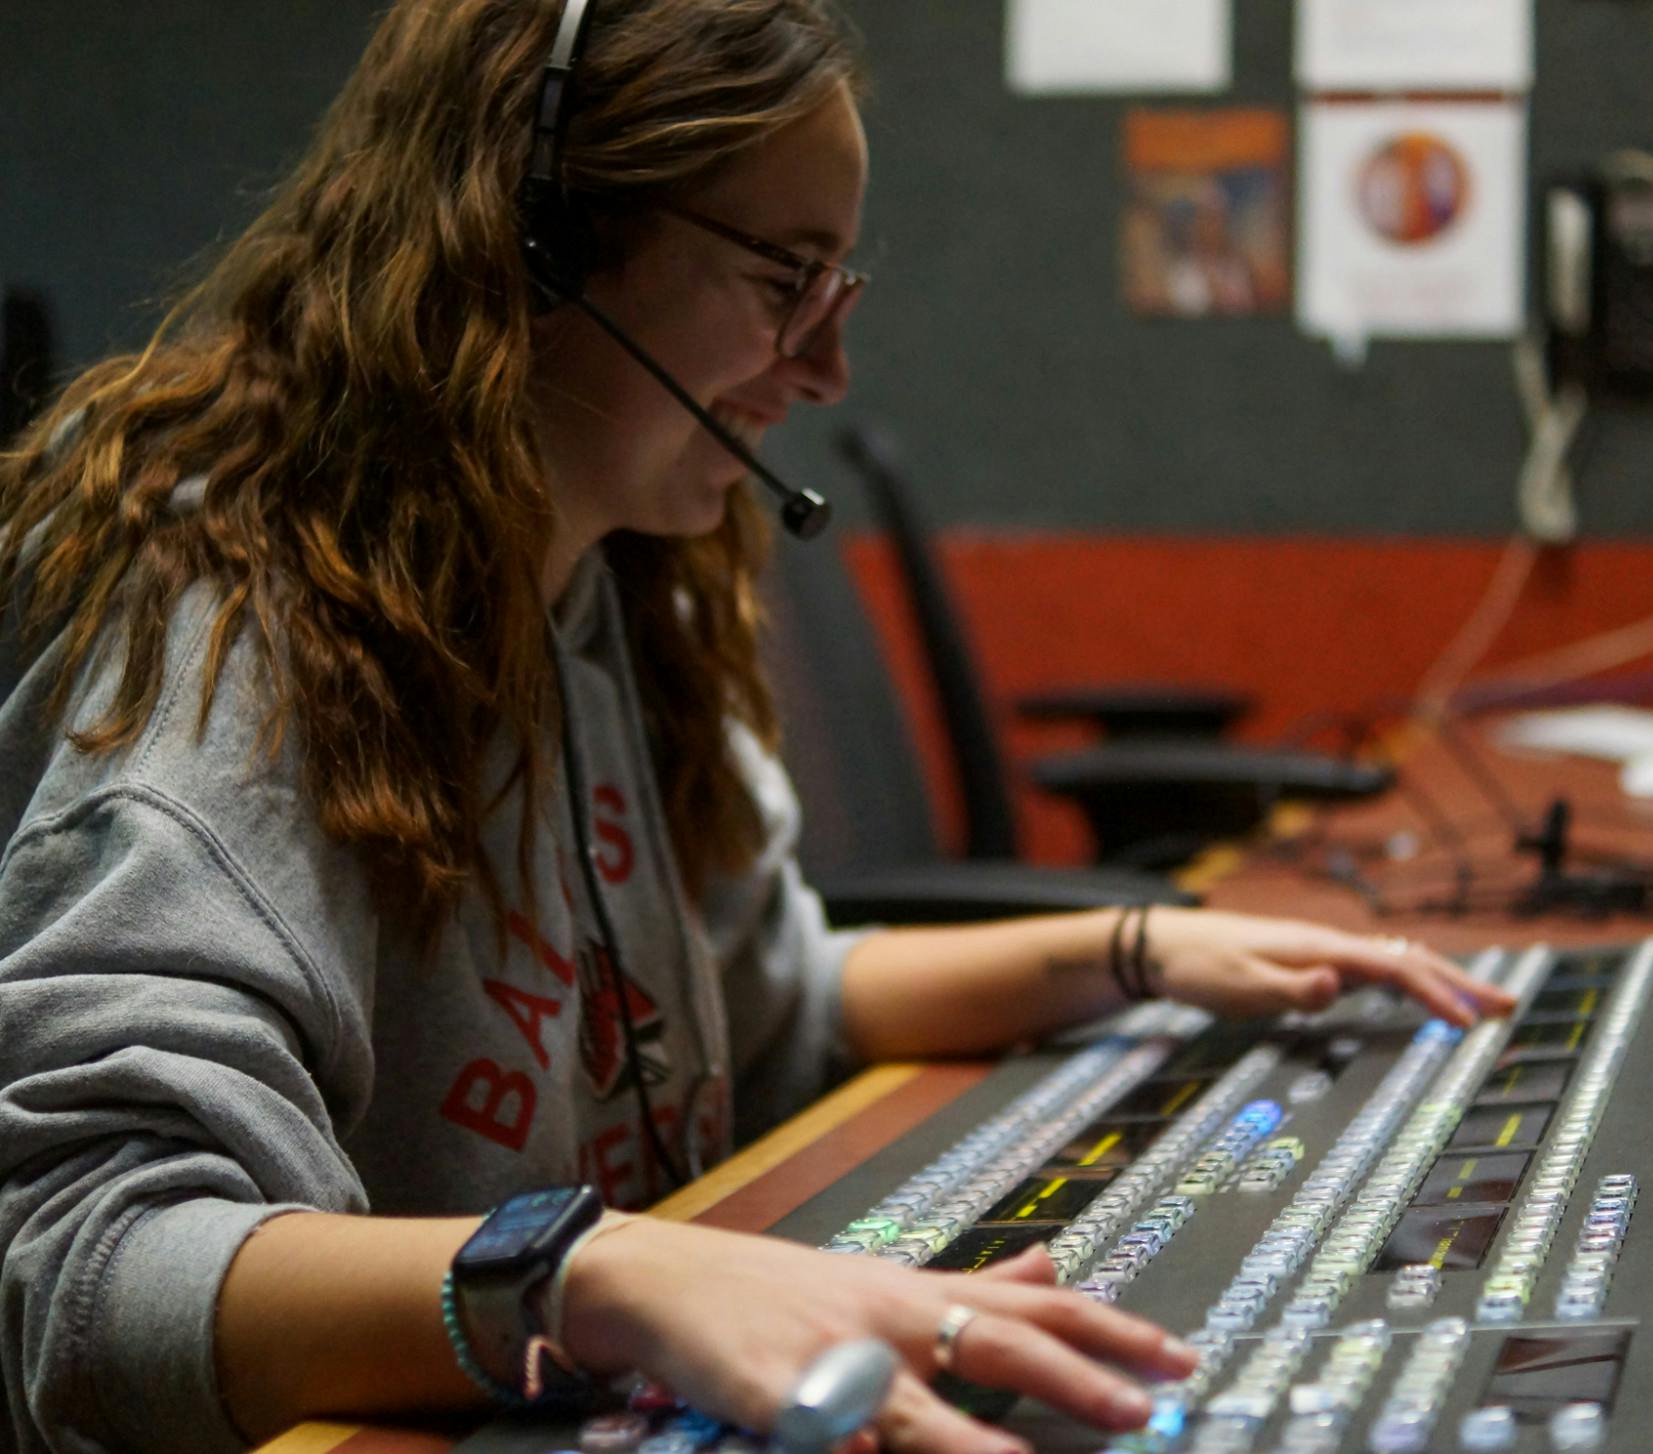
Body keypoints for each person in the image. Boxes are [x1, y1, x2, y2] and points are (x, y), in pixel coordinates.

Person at [0, 3, 1514, 1452]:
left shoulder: (608, 598)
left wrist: (1135, 948)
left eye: (838, 290)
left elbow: (776, 997)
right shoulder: (235, 620)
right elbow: (90, 1261)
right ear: (542, 240)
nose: (828, 366)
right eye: (785, 280)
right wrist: (597, 1278)